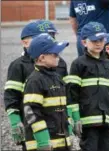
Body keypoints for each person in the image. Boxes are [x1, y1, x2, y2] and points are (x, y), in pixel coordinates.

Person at [3, 20, 69, 151]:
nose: (50, 39)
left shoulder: (59, 63)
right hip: (33, 125)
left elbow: (67, 93)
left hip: (58, 128)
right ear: (25, 42)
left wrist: (69, 119)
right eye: (44, 36)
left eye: (52, 36)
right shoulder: (18, 66)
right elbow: (11, 96)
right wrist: (16, 122)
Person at [66, 22, 109, 151]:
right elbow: (72, 95)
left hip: (106, 122)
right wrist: (76, 119)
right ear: (84, 42)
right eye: (94, 40)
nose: (98, 43)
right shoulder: (78, 64)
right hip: (87, 122)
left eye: (101, 39)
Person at [23, 33, 71, 151]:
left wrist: (68, 124)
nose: (58, 57)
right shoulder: (34, 81)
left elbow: (63, 106)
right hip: (43, 145)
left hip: (61, 143)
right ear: (42, 58)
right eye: (54, 54)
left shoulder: (57, 77)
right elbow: (31, 112)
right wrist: (43, 140)